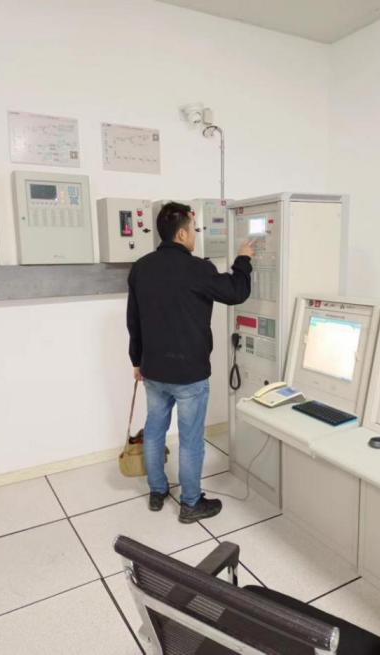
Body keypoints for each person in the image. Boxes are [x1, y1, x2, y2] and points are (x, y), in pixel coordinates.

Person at [127, 201, 253, 523]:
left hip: (153, 370)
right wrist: (244, 259)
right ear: (182, 234)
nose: (195, 235)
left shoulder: (141, 268)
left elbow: (134, 320)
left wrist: (136, 360)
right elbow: (236, 292)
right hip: (189, 374)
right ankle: (191, 503)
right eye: (193, 230)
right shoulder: (198, 269)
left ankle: (157, 492)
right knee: (190, 439)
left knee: (154, 431)